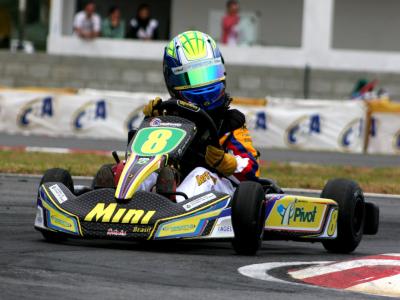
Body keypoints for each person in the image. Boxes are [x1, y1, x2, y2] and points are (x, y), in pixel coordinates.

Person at [142, 30, 260, 202]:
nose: (204, 87)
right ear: (174, 80)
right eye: (194, 77)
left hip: (222, 192)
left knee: (201, 175)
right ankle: (118, 196)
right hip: (177, 181)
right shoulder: (168, 114)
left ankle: (173, 209)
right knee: (151, 168)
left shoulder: (230, 122)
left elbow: (252, 170)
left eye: (209, 74)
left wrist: (225, 162)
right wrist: (153, 123)